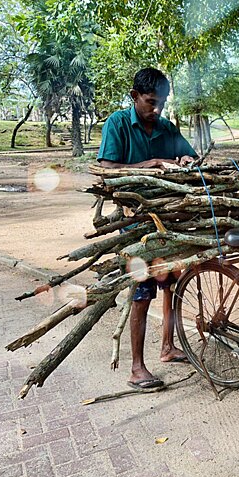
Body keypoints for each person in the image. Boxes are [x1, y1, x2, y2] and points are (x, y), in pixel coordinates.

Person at [97, 68, 198, 390]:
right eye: (150, 102)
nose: (156, 110)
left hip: (169, 219)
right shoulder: (118, 124)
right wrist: (149, 164)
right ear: (134, 97)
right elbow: (107, 171)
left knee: (171, 281)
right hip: (135, 223)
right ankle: (137, 368)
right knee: (142, 294)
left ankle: (167, 347)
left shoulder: (167, 127)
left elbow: (188, 156)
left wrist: (184, 161)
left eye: (162, 104)